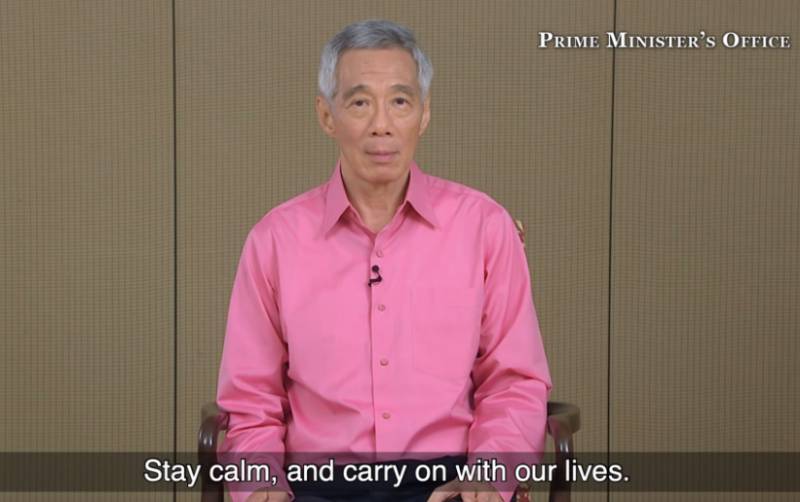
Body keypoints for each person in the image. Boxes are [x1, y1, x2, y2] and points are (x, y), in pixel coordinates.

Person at [216, 19, 552, 502]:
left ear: (424, 113)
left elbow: (514, 382)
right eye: (359, 103)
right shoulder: (275, 240)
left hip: (448, 484)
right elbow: (251, 398)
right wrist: (259, 483)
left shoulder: (483, 227)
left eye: (400, 101)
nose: (381, 124)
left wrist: (490, 474)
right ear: (326, 115)